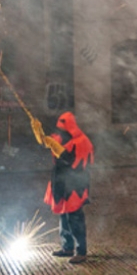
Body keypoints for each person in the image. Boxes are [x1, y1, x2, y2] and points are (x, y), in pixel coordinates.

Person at [34, 112, 94, 264]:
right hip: (61, 182)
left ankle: (81, 251)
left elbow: (71, 160)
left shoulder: (82, 141)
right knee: (63, 215)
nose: (60, 131)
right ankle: (67, 247)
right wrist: (38, 130)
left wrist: (56, 147)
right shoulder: (61, 137)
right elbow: (45, 142)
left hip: (75, 184)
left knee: (75, 217)